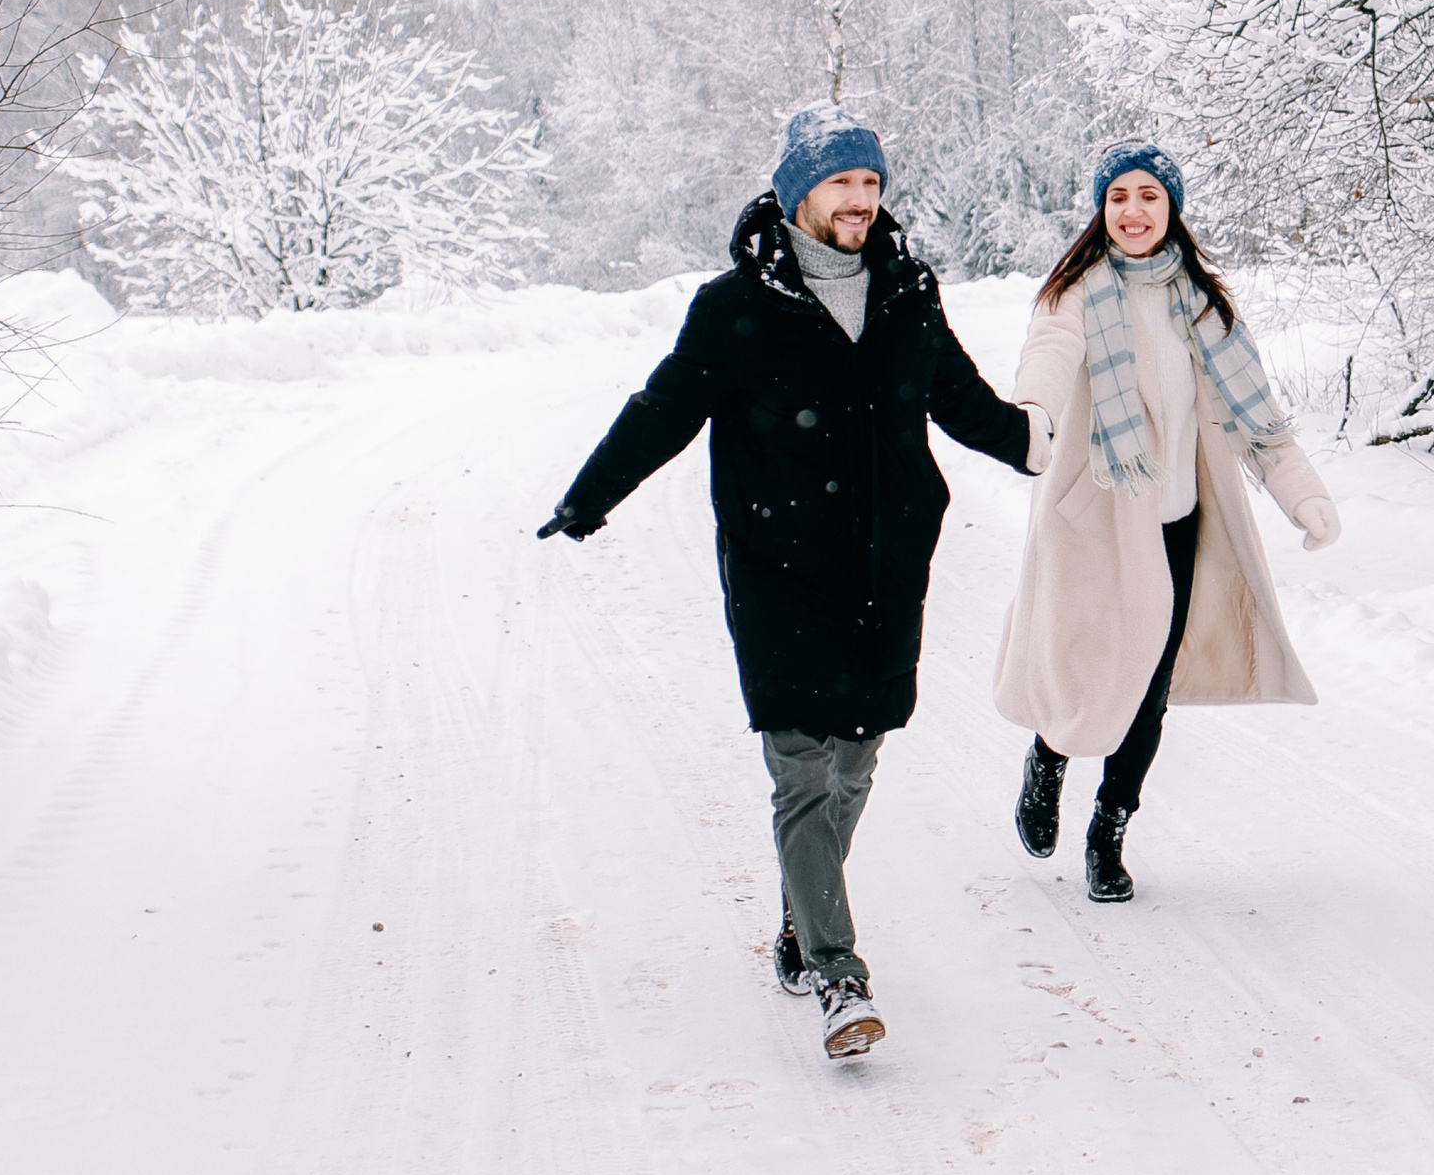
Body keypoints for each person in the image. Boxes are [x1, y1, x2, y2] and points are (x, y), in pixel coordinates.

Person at [539, 105, 1043, 1061]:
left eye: (871, 183)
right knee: (803, 773)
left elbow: (962, 400)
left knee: (856, 760)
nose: (860, 201)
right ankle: (838, 975)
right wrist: (589, 495)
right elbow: (663, 411)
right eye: (841, 183)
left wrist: (1045, 448)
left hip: (887, 564)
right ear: (795, 191)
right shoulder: (735, 307)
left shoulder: (906, 290)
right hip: (778, 568)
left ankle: (797, 920)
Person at [995, 140, 1340, 904]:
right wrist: (1031, 416)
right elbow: (1047, 360)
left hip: (1175, 522)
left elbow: (1258, 419)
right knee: (1085, 664)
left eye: (1149, 195)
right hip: (1092, 523)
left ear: (1171, 207)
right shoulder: (1073, 295)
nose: (1133, 211)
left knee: (1148, 687)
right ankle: (1048, 756)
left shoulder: (1203, 305)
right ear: (1101, 211)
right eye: (1118, 197)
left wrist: (1302, 497)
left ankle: (1109, 831)